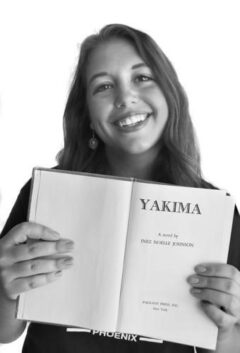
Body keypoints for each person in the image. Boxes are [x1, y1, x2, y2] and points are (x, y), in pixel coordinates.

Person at [0, 23, 239, 353]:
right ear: (87, 116)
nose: (125, 97)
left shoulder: (218, 210)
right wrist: (4, 289)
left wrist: (225, 330)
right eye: (103, 87)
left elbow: (232, 343)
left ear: (169, 92)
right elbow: (5, 332)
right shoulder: (43, 196)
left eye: (142, 77)